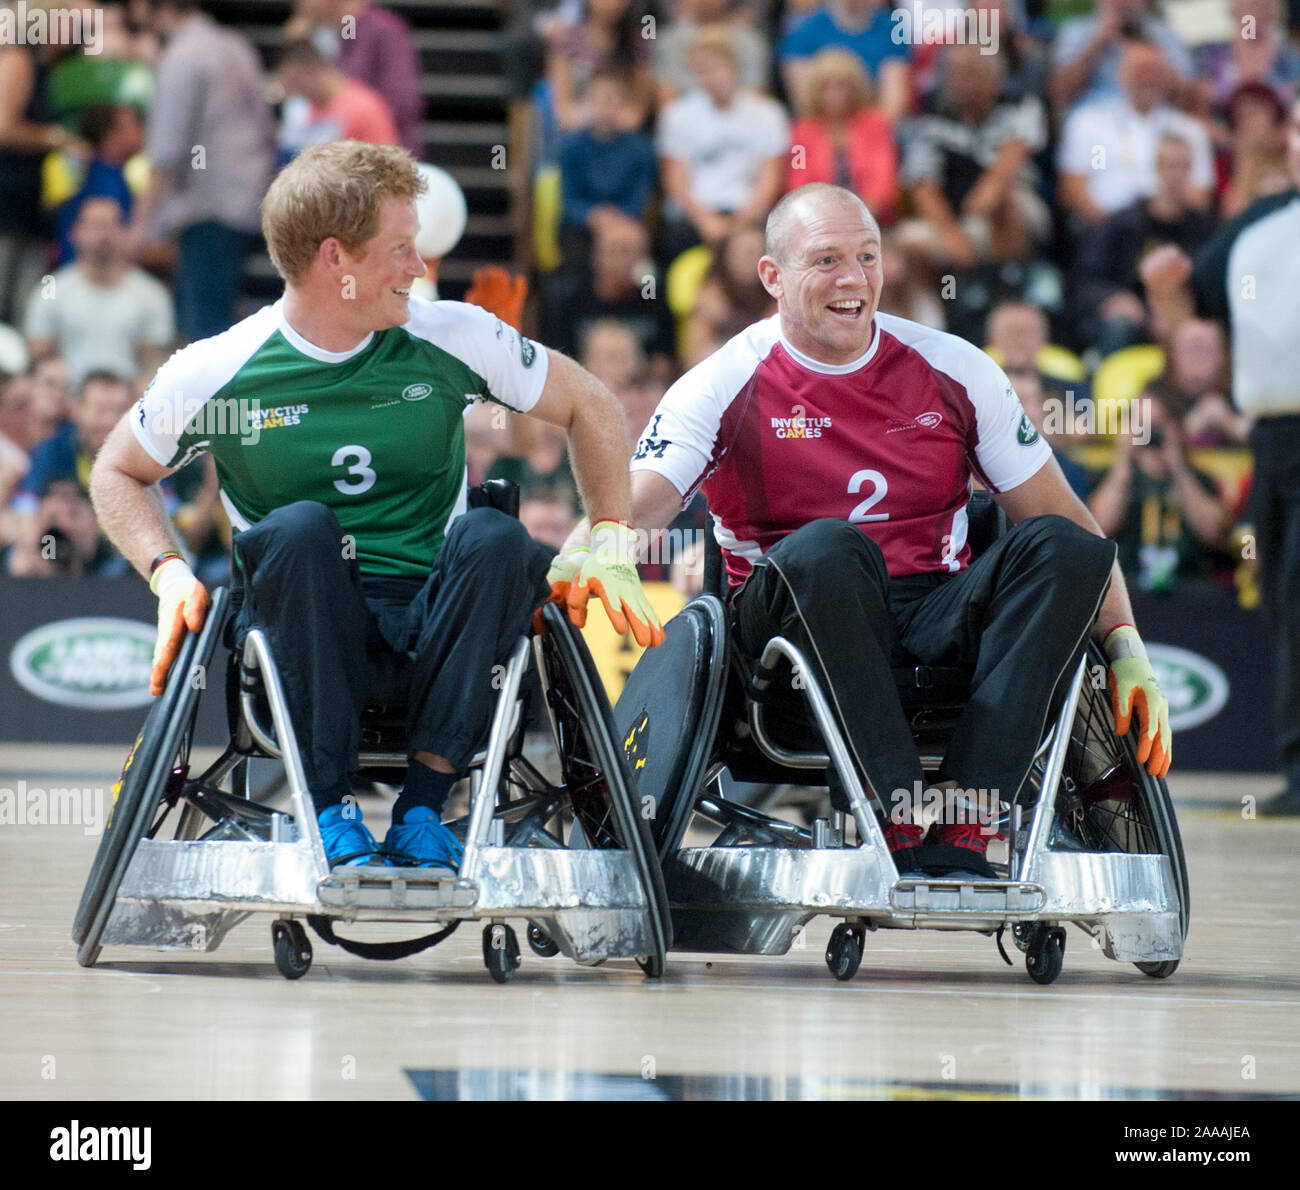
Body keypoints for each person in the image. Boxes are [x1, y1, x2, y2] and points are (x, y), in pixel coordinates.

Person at [553, 183, 1172, 878]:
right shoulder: (722, 382)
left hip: (930, 609)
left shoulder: (955, 368)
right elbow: (637, 502)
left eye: (867, 256)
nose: (852, 279)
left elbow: (1073, 523)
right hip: (784, 637)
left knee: (1067, 548)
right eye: (825, 260)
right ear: (772, 277)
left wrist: (1125, 645)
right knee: (829, 544)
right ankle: (896, 809)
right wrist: (593, 550)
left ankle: (970, 819)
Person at [88, 141, 663, 870]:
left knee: (494, 535)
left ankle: (425, 809)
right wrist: (167, 570)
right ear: (337, 260)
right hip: (301, 634)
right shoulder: (218, 371)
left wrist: (610, 538)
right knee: (297, 527)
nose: (419, 267)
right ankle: (329, 810)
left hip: (438, 628)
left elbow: (593, 404)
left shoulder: (448, 335)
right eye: (400, 248)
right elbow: (116, 470)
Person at [1141, 93, 1300, 814]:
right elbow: (1187, 314)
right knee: (1279, 595)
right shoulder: (1256, 230)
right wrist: (1163, 290)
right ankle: (1297, 774)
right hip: (1275, 436)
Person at [131, 0, 275, 343]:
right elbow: (267, 126)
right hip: (253, 199)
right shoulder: (237, 46)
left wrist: (140, 226)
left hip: (210, 207)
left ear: (165, 12)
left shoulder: (182, 56)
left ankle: (211, 400)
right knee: (228, 326)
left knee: (205, 333)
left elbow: (166, 151)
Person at [24, 196, 174, 386]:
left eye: (112, 226)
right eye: (95, 226)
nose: (104, 236)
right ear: (75, 233)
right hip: (68, 401)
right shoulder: (51, 290)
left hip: (128, 402)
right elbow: (38, 358)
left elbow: (154, 363)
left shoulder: (152, 294)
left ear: (125, 232)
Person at [276, 38, 399, 154]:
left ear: (313, 70)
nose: (298, 92)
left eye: (297, 82)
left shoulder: (365, 108)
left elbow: (387, 166)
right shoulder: (305, 109)